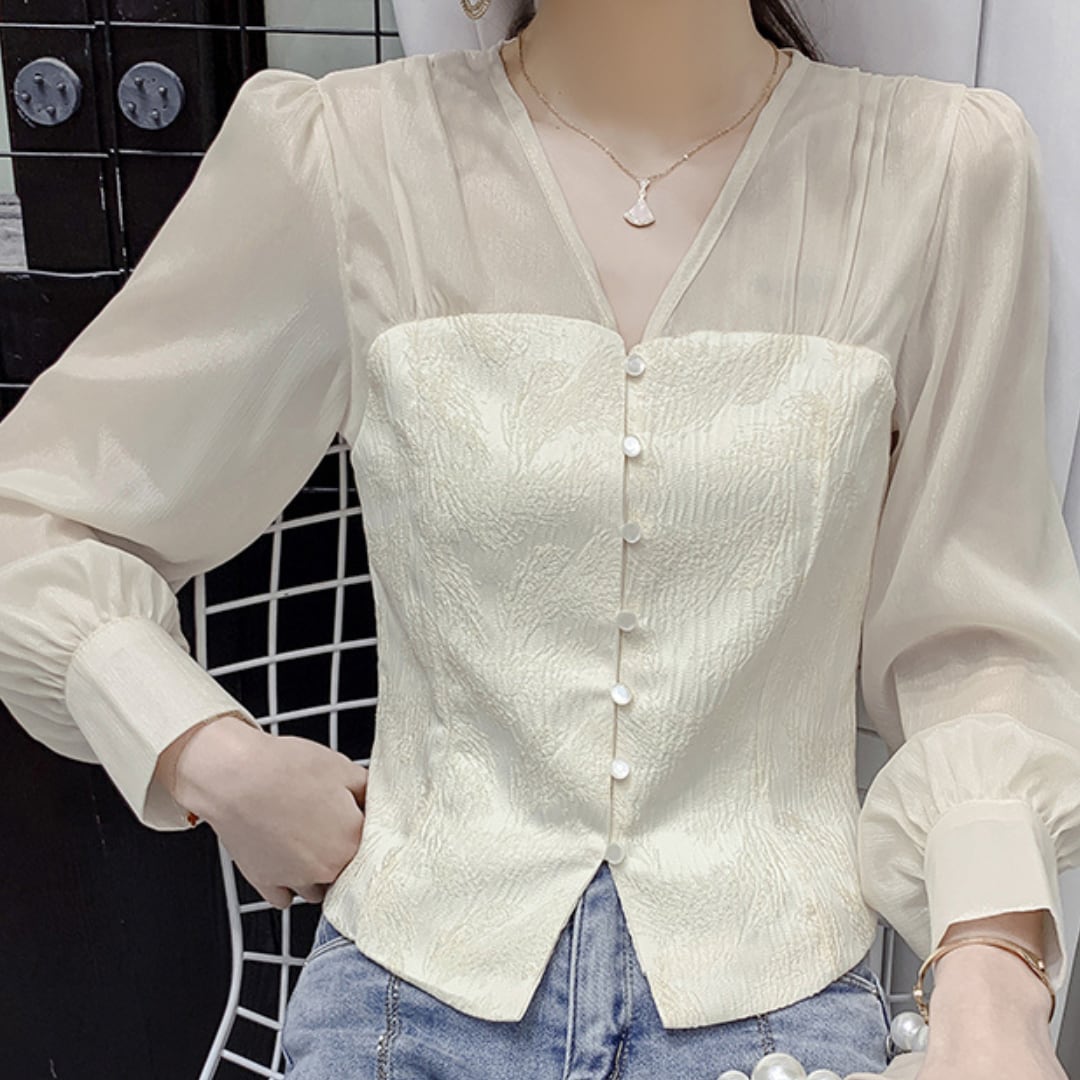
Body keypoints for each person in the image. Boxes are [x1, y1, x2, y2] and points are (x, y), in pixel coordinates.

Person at [0, 0, 1076, 1077]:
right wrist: (208, 754)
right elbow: (35, 512)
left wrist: (992, 974)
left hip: (774, 1015)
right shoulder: (344, 161)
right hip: (408, 1004)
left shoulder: (941, 172)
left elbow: (976, 639)